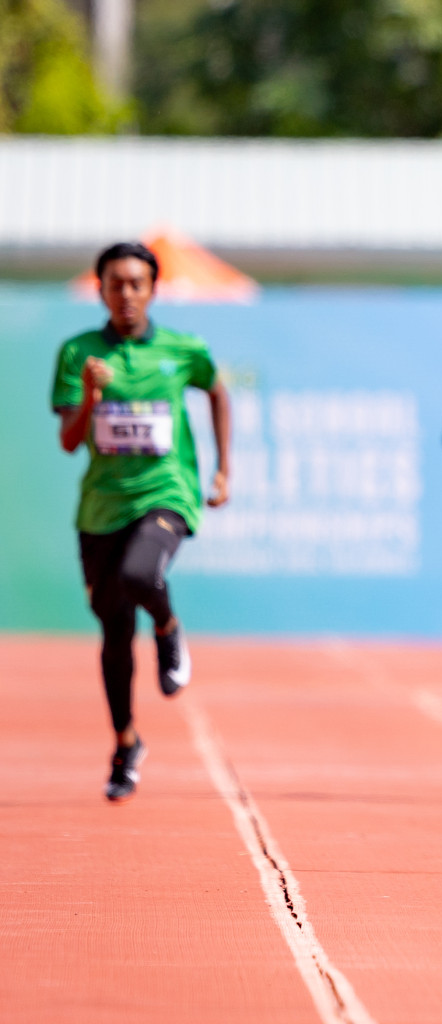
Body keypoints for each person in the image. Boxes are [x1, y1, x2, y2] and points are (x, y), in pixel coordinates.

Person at [51, 242, 232, 802]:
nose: (126, 294)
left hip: (166, 491)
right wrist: (89, 395)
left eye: (136, 283)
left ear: (153, 288)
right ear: (100, 289)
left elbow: (218, 391)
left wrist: (223, 470)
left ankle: (170, 630)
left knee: (141, 573)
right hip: (102, 508)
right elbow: (68, 441)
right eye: (115, 284)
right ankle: (126, 743)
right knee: (113, 634)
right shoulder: (79, 352)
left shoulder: (183, 349)